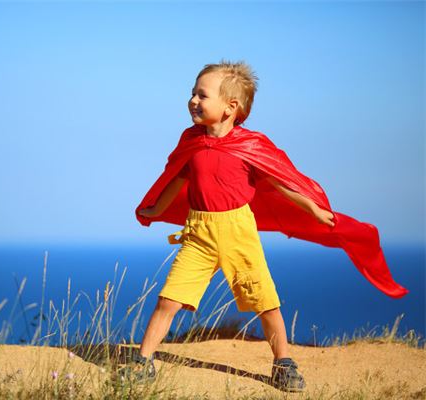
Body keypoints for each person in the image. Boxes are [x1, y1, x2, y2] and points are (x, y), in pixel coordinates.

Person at [124, 60, 408, 392]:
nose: (193, 101)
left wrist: (313, 209)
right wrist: (158, 207)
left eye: (202, 95)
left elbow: (281, 181)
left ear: (231, 107)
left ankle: (283, 362)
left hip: (238, 232)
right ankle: (143, 362)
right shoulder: (192, 141)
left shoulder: (250, 145)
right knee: (169, 299)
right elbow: (178, 176)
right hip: (199, 232)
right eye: (192, 93)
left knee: (264, 300)